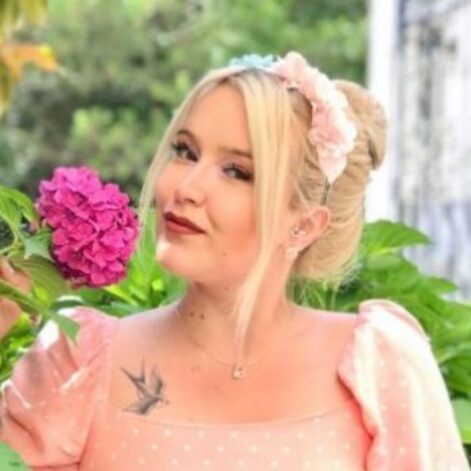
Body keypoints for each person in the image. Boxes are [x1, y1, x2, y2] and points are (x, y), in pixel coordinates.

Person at [0, 51, 469, 470]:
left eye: (237, 172)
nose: (186, 188)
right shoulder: (80, 359)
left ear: (303, 225)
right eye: (185, 151)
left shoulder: (377, 363)